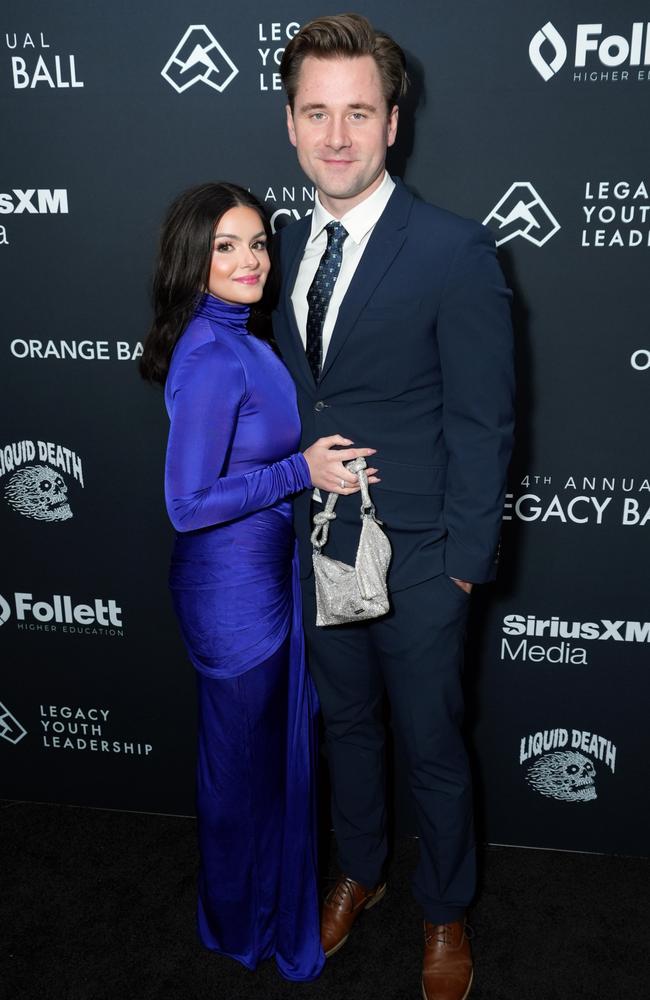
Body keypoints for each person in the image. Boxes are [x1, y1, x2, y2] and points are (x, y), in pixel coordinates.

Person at [273, 16, 515, 1000]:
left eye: (358, 112)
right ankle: (362, 872)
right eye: (317, 112)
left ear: (392, 121)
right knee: (347, 729)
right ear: (289, 123)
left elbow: (482, 420)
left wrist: (460, 564)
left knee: (430, 744)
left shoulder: (454, 250)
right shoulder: (274, 243)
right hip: (316, 548)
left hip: (417, 558)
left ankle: (443, 908)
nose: (337, 136)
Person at [139, 181, 377, 982]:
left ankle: (257, 910)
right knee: (242, 768)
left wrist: (311, 471)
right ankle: (243, 924)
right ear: (193, 260)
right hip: (231, 593)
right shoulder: (210, 355)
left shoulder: (244, 337)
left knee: (261, 761)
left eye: (259, 244)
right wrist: (297, 470)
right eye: (226, 247)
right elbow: (187, 503)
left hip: (264, 578)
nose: (250, 261)